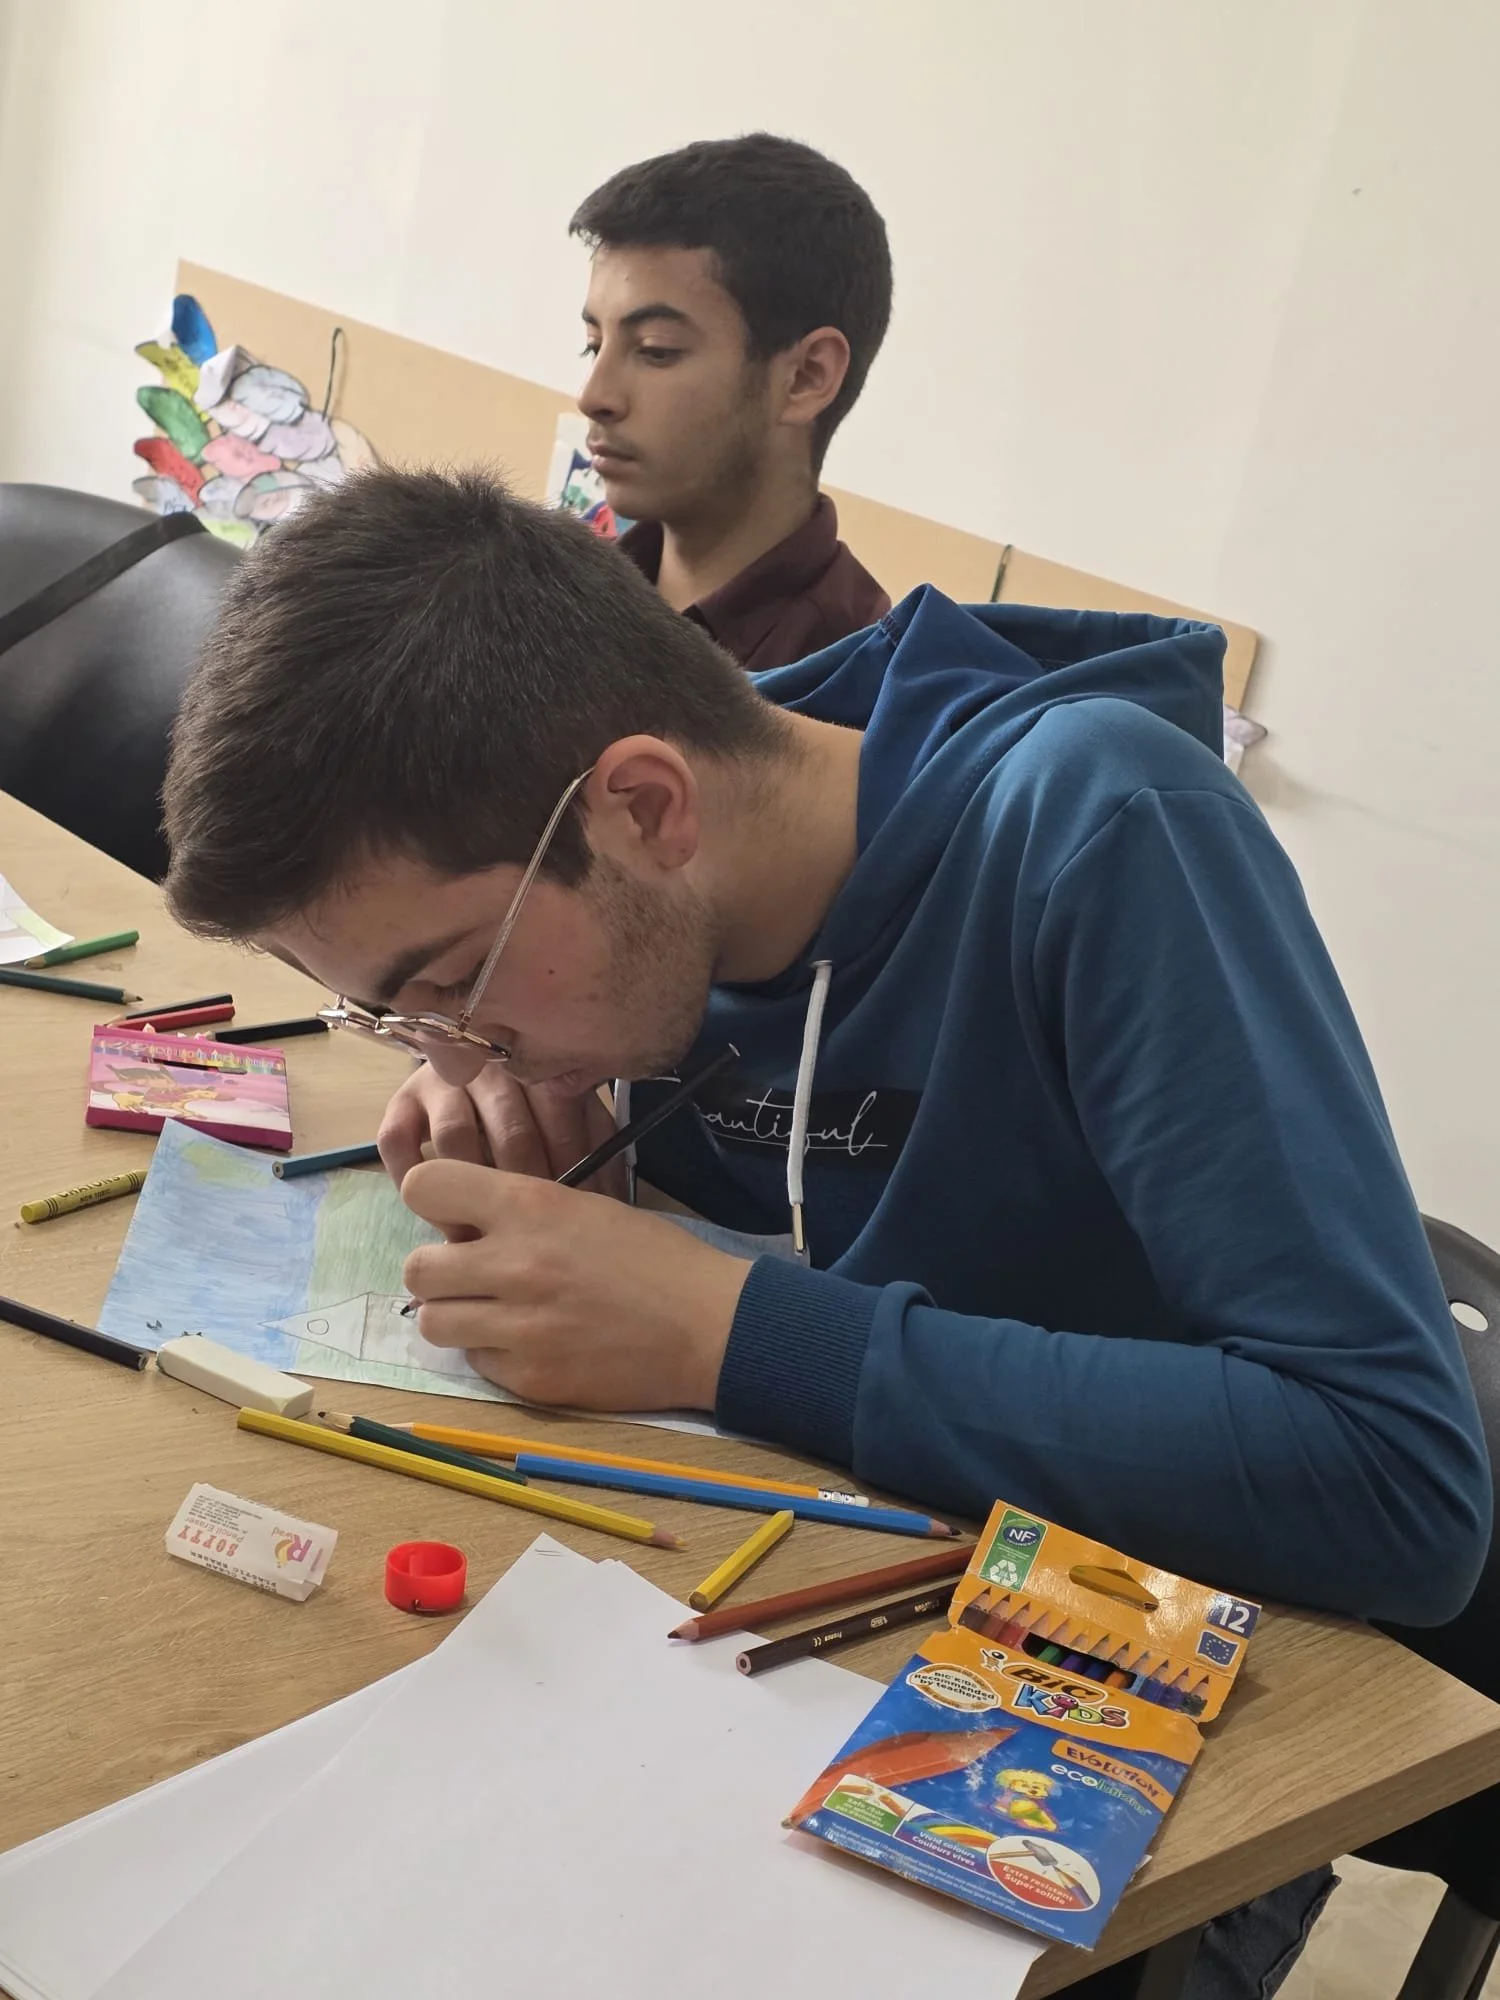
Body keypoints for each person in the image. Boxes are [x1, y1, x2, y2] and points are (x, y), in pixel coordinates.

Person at [162, 468, 1489, 1999]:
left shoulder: (1102, 829)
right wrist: (546, 1117)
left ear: (644, 807)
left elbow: (1398, 1485)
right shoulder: (652, 897)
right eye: (393, 1014)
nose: (449, 1042)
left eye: (452, 980)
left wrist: (724, 1327)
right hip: (792, 1629)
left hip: (1160, 1731)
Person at [570, 133, 893, 669]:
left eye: (656, 350)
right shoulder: (560, 599)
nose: (593, 397)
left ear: (806, 377)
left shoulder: (856, 686)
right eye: (593, 345)